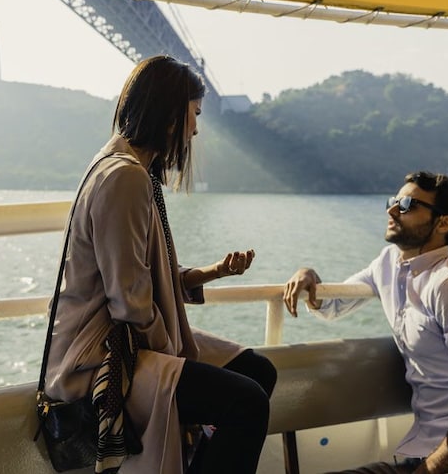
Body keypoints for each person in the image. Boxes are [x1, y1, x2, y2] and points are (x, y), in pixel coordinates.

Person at [42, 55, 276, 474]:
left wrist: (212, 272)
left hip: (126, 337)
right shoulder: (124, 176)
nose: (196, 129)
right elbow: (129, 302)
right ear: (170, 114)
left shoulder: (132, 171)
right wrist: (177, 357)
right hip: (100, 354)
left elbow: (145, 277)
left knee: (257, 371)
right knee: (247, 401)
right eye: (194, 114)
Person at [282, 171, 448, 474]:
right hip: (428, 456)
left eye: (407, 204)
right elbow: (333, 304)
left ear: (444, 223)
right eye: (393, 201)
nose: (392, 210)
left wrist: (426, 470)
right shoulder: (389, 263)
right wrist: (309, 275)